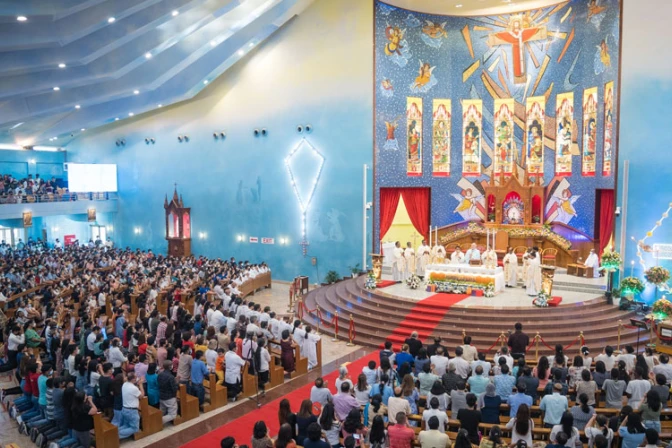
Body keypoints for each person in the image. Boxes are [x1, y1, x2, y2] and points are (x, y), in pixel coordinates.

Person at [118, 372, 144, 439]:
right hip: (131, 411)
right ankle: (116, 436)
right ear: (133, 379)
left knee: (126, 425)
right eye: (136, 377)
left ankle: (115, 432)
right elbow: (141, 396)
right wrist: (141, 384)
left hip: (125, 409)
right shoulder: (133, 388)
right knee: (135, 428)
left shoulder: (124, 384)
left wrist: (136, 383)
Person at [158, 360, 178, 424]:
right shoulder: (171, 377)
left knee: (162, 411)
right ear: (170, 367)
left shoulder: (159, 375)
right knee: (172, 415)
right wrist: (176, 383)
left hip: (161, 396)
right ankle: (158, 422)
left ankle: (157, 420)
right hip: (170, 398)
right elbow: (174, 388)